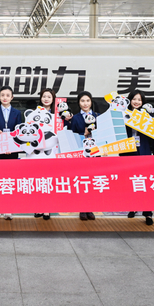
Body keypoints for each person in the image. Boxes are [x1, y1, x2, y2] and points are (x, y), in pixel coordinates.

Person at [0, 85, 22, 220]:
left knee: (9, 180)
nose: (5, 98)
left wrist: (12, 147)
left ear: (12, 97)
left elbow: (19, 133)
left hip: (11, 152)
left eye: (7, 95)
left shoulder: (17, 113)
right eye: (2, 95)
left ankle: (8, 209)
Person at [122, 90, 154, 226]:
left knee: (145, 182)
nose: (136, 102)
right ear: (129, 100)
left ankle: (148, 213)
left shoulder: (147, 116)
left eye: (139, 100)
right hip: (127, 152)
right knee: (131, 181)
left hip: (144, 152)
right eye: (134, 99)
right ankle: (133, 207)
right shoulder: (123, 114)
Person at [64, 91, 98, 221]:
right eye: (82, 101)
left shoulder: (97, 116)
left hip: (95, 153)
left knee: (92, 181)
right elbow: (71, 136)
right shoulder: (75, 118)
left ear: (91, 102)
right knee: (82, 181)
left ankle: (90, 208)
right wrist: (84, 134)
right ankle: (82, 209)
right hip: (80, 153)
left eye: (87, 101)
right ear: (79, 103)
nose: (85, 103)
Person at [33, 88, 57, 221]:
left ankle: (47, 209)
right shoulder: (34, 114)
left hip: (51, 153)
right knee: (38, 180)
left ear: (53, 99)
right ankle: (38, 207)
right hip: (36, 153)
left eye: (49, 97)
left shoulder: (57, 116)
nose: (46, 99)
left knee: (48, 180)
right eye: (44, 96)